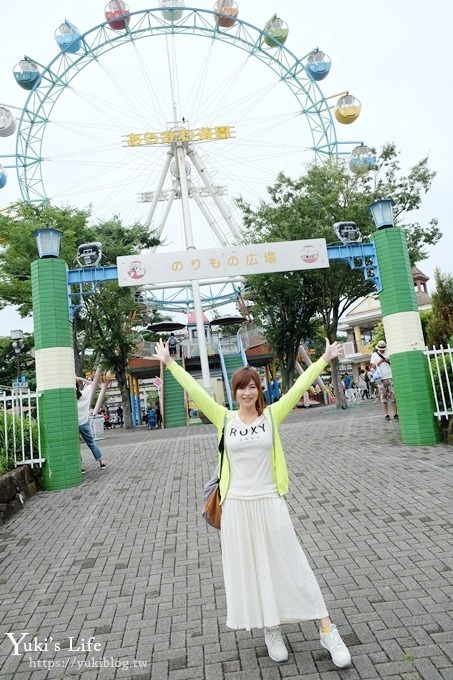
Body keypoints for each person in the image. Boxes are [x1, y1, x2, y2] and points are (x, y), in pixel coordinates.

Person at [153, 337, 351, 669]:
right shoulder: (224, 419)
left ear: (259, 390)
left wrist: (323, 359)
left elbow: (298, 386)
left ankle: (327, 629)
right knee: (253, 570)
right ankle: (270, 628)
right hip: (236, 509)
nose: (247, 393)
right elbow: (197, 391)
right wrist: (171, 363)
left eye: (252, 387)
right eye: (241, 388)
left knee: (293, 564)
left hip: (269, 502)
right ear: (234, 392)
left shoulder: (271, 416)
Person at [76, 378, 106, 469]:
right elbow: (92, 384)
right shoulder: (85, 394)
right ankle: (102, 463)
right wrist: (78, 378)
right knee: (92, 443)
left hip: (74, 424)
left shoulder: (70, 398)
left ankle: (81, 466)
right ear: (79, 386)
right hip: (84, 423)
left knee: (76, 446)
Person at [370, 340, 398, 421]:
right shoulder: (374, 355)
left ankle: (396, 413)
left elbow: (394, 363)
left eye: (383, 348)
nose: (382, 350)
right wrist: (380, 362)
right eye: (381, 348)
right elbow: (372, 367)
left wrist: (388, 360)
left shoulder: (389, 353)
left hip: (390, 377)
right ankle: (386, 414)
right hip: (380, 379)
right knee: (383, 397)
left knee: (393, 397)